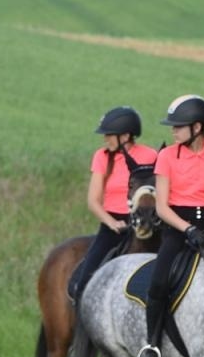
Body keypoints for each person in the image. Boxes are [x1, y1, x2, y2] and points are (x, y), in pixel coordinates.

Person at [135, 94, 204, 357]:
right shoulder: (166, 156)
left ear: (198, 127)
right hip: (176, 225)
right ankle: (152, 346)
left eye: (178, 126)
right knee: (158, 282)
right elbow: (161, 206)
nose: (173, 130)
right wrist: (187, 229)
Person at [67, 106, 159, 304]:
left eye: (109, 134)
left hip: (146, 224)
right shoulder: (101, 157)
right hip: (113, 226)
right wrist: (111, 222)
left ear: (125, 135)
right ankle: (83, 331)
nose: (105, 139)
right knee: (83, 283)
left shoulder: (150, 156)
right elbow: (93, 200)